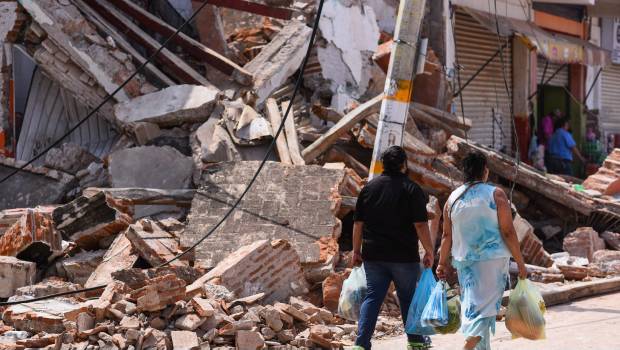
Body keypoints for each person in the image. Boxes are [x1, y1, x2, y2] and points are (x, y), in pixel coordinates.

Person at [436, 152, 527, 350]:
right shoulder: (495, 194)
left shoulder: (452, 198)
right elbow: (508, 231)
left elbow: (446, 236)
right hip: (492, 262)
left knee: (474, 307)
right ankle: (469, 345)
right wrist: (520, 262)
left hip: (464, 263)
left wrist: (442, 262)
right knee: (483, 311)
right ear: (485, 170)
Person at [351, 145, 435, 350]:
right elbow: (421, 225)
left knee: (372, 298)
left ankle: (361, 344)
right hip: (404, 257)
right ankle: (415, 341)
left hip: (373, 255)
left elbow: (358, 223)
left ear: (383, 165)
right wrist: (430, 251)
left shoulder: (369, 188)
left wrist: (356, 251)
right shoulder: (412, 189)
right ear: (404, 165)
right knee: (408, 299)